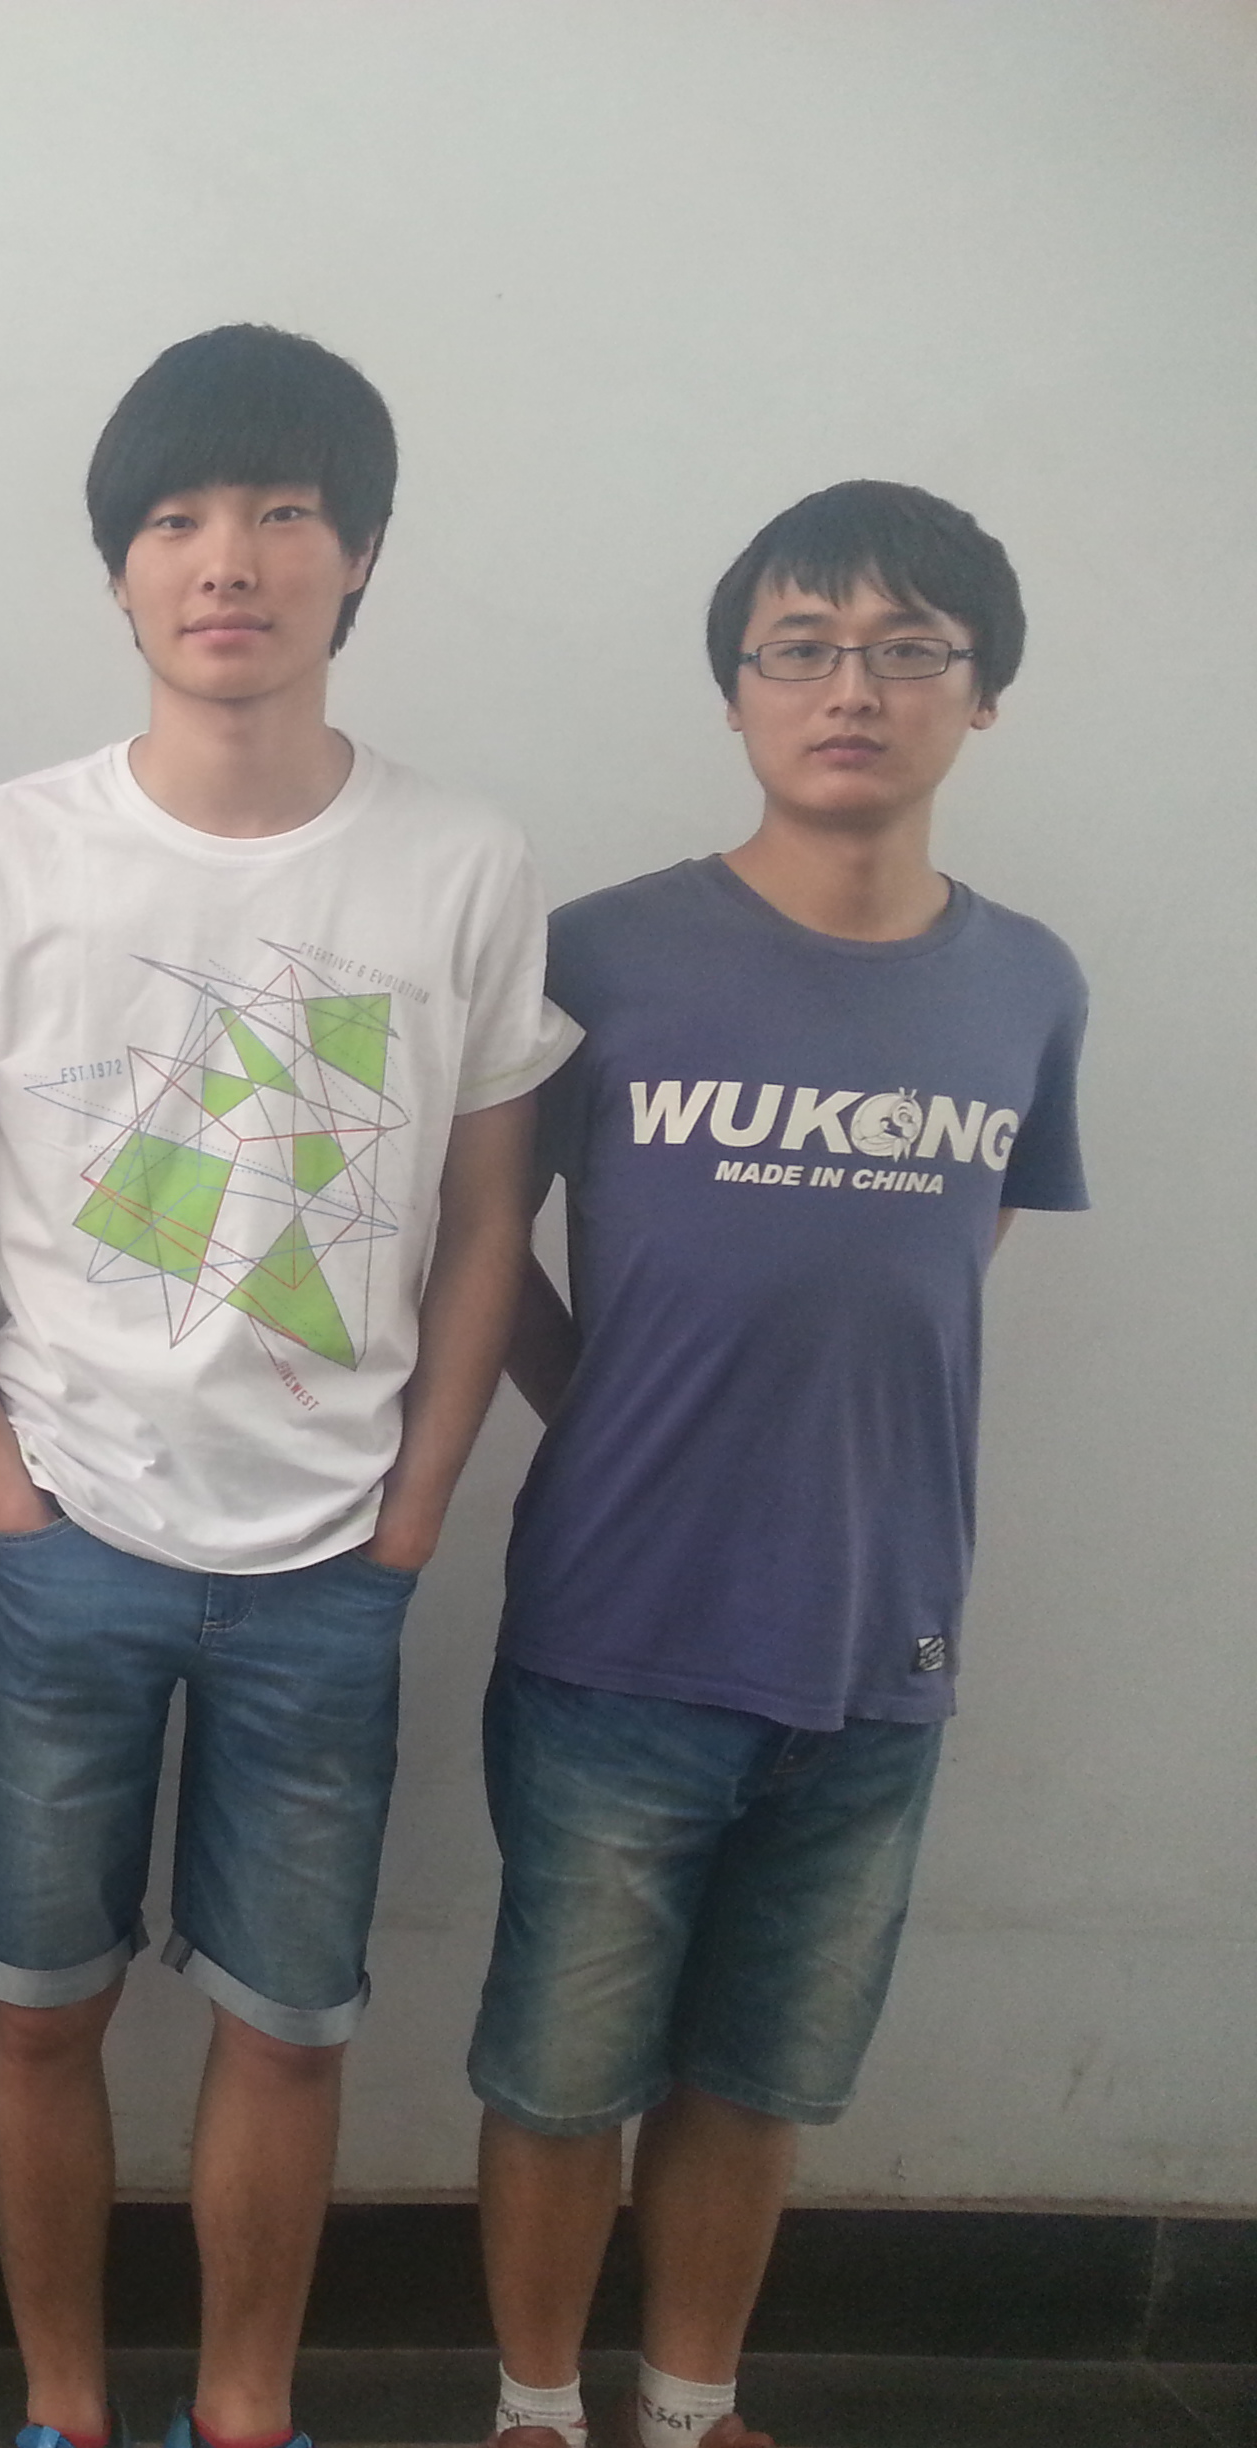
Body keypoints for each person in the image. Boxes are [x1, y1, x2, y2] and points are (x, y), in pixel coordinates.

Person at [0, 325, 574, 2448]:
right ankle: (66, 2410)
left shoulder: (462, 863)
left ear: (360, 553)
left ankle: (246, 2414)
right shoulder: (4, 850)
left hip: (330, 1560)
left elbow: (490, 1222)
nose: (230, 559)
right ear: (118, 567)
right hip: (64, 1542)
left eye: (284, 511)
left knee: (289, 2029)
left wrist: (415, 1510)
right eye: (177, 517)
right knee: (41, 2013)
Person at [467, 482, 1086, 2448]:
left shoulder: (1029, 984)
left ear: (982, 694)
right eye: (802, 649)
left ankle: (691, 2404)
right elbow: (478, 1249)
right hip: (619, 1631)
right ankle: (538, 2413)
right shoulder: (599, 957)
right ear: (735, 690)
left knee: (760, 2075)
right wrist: (605, 1402)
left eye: (909, 651)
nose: (853, 690)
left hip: (881, 1646)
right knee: (561, 2075)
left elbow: (942, 1264)